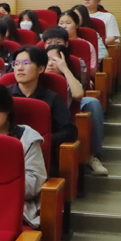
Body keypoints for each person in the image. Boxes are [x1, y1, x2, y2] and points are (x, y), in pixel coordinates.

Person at [0, 85, 46, 226]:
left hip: (12, 202)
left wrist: (0, 184)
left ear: (8, 109)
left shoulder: (27, 137)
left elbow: (35, 182)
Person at [43, 45, 107, 175]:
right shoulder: (36, 77)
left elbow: (78, 95)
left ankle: (93, 156)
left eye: (55, 60)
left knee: (92, 102)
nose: (50, 64)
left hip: (62, 123)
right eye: (47, 59)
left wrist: (65, 69)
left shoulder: (68, 79)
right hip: (44, 124)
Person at [7, 46, 78, 152]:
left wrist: (41, 141)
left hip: (41, 153)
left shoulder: (51, 98)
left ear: (40, 69)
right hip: (9, 149)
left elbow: (69, 131)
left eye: (26, 63)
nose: (19, 68)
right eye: (16, 63)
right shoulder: (4, 95)